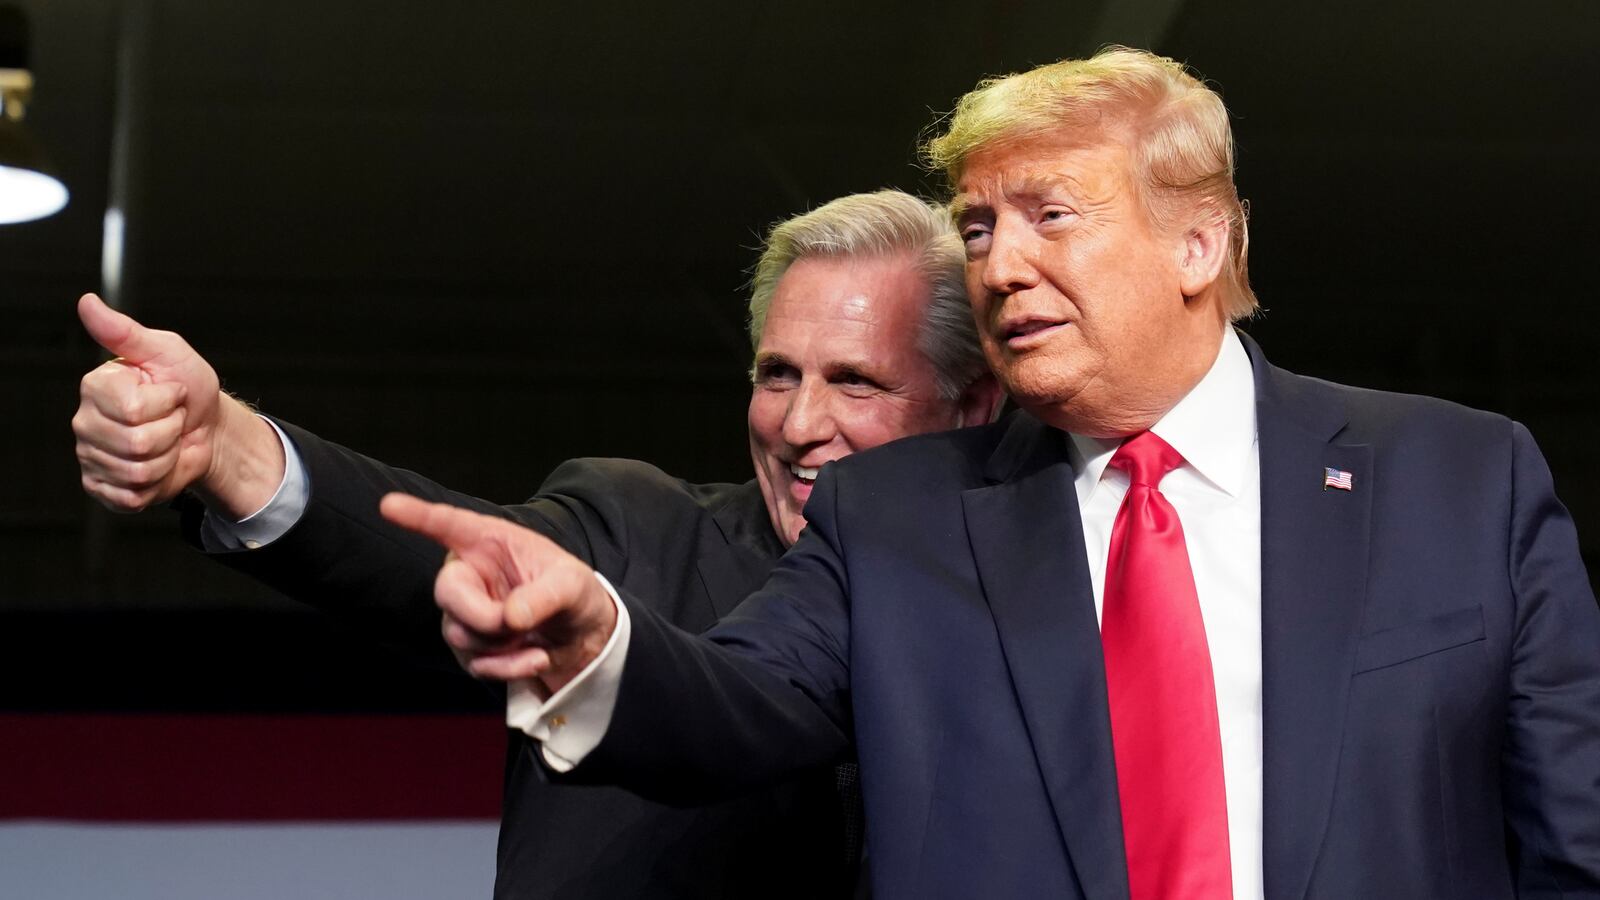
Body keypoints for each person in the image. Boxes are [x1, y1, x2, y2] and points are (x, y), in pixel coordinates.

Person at [382, 48, 1600, 900]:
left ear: (1198, 242)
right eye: (977, 227)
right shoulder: (896, 518)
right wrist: (597, 642)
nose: (1000, 266)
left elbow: (1572, 840)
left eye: (1049, 216)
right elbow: (734, 705)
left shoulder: (1460, 480)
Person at [71, 190, 1004, 899]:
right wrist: (226, 449)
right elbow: (450, 560)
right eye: (778, 375)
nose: (799, 425)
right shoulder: (635, 532)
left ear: (972, 406)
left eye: (856, 382)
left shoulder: (1036, 618)